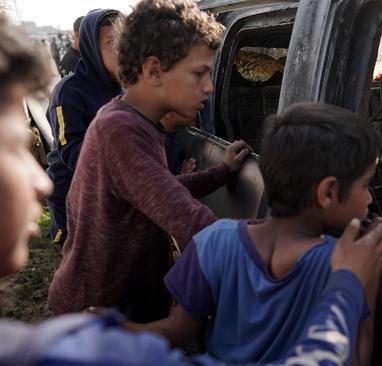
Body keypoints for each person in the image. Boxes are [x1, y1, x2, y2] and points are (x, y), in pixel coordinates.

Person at [129, 102, 382, 365]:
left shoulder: (213, 241)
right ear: (328, 193)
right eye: (365, 185)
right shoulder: (341, 264)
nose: (368, 199)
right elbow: (355, 359)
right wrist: (365, 280)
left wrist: (120, 329)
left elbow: (174, 332)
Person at [46, 0, 252, 323]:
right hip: (100, 314)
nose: (209, 87)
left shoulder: (132, 121)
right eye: (199, 74)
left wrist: (222, 172)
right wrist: (277, 244)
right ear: (154, 71)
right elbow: (188, 220)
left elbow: (158, 189)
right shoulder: (120, 131)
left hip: (119, 305)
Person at [44, 9, 122, 246]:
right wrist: (125, 164)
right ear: (90, 48)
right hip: (75, 196)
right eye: (111, 42)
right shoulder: (69, 92)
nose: (122, 50)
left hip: (113, 194)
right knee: (80, 259)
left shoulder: (129, 85)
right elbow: (72, 152)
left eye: (125, 40)